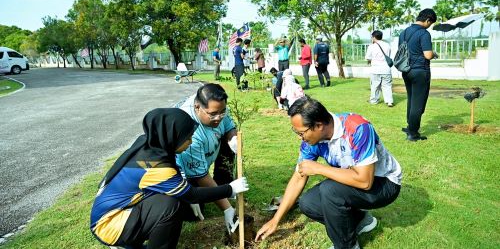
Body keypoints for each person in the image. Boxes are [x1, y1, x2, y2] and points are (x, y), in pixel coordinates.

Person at [90, 108, 249, 249]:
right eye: (187, 138)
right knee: (171, 206)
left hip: (115, 210)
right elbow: (192, 194)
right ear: (172, 137)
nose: (191, 142)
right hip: (108, 224)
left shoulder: (150, 143)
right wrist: (230, 189)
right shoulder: (156, 168)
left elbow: (177, 177)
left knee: (175, 198)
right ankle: (124, 243)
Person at [255, 96, 402, 249]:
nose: (301, 138)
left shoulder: (357, 128)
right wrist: (276, 220)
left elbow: (365, 181)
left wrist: (318, 168)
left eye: (301, 133)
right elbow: (299, 176)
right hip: (355, 180)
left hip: (384, 183)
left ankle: (346, 246)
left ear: (318, 125)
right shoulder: (312, 141)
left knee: (330, 191)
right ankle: (360, 220)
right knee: (308, 203)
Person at [175, 83, 241, 233]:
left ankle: (224, 186)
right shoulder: (189, 131)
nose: (218, 118)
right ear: (197, 108)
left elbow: (229, 126)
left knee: (228, 144)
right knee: (192, 214)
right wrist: (227, 209)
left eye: (222, 112)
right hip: (185, 171)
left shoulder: (217, 106)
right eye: (213, 114)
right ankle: (218, 192)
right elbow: (201, 176)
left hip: (208, 150)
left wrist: (233, 138)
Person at [399, 8, 438, 142]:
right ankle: (413, 133)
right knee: (418, 103)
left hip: (406, 70)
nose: (429, 26)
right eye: (430, 23)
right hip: (420, 71)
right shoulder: (424, 33)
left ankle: (410, 126)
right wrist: (434, 54)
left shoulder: (403, 33)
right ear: (427, 20)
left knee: (411, 99)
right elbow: (427, 54)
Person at [365, 30, 394, 107]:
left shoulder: (371, 46)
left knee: (375, 85)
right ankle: (389, 101)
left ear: (374, 37)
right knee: (387, 86)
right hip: (386, 69)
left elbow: (368, 58)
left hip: (375, 69)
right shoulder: (387, 45)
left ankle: (374, 100)